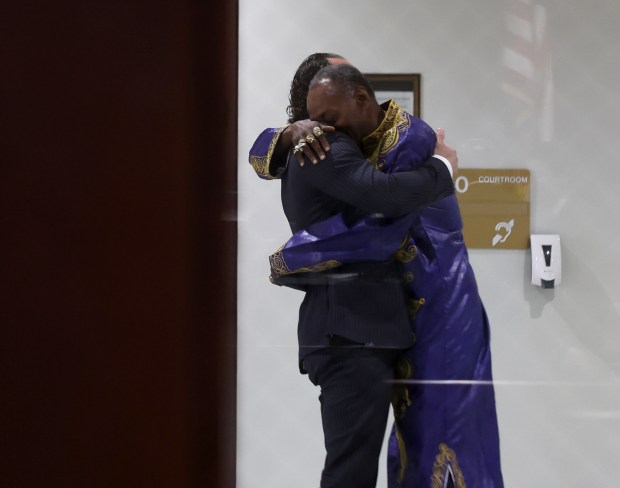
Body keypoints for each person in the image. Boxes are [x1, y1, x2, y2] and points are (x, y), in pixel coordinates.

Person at [250, 59, 504, 488]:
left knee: (416, 439)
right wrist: (442, 169)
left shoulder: (333, 143)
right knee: (361, 466)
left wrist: (292, 259)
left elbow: (262, 156)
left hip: (402, 315)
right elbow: (381, 208)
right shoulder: (329, 146)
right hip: (356, 332)